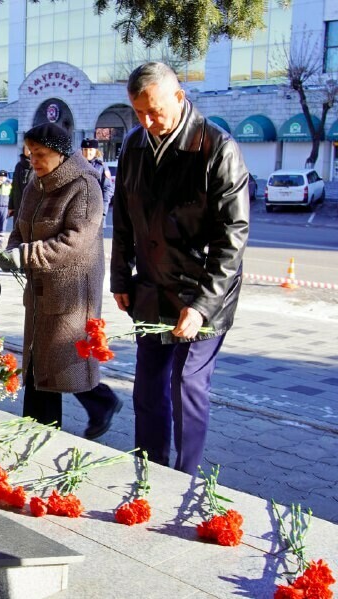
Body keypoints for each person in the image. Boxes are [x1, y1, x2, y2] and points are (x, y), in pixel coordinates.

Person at [110, 62, 250, 474]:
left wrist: (203, 304)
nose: (148, 121)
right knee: (148, 388)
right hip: (151, 287)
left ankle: (185, 478)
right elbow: (123, 218)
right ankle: (149, 469)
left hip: (202, 289)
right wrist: (121, 276)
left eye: (154, 111)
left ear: (179, 97)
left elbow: (233, 234)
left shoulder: (215, 148)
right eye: (138, 112)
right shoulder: (134, 146)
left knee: (187, 385)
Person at [0, 123, 122, 439]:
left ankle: (94, 405)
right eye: (30, 154)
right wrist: (13, 248)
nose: (33, 161)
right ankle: (39, 428)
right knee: (43, 361)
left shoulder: (84, 187)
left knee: (60, 357)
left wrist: (25, 255)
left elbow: (74, 242)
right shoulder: (34, 184)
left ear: (60, 152)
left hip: (72, 289)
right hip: (41, 286)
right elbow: (21, 225)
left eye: (40, 154)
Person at [79, 138, 114, 219]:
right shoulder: (76, 165)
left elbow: (107, 189)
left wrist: (103, 211)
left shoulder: (101, 166)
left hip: (96, 210)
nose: (88, 152)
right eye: (85, 150)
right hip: (78, 210)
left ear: (96, 151)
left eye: (91, 149)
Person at [8, 144, 32, 221]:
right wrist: (11, 206)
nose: (29, 151)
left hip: (32, 206)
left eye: (31, 149)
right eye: (27, 148)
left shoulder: (38, 166)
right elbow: (14, 187)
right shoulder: (19, 166)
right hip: (19, 205)